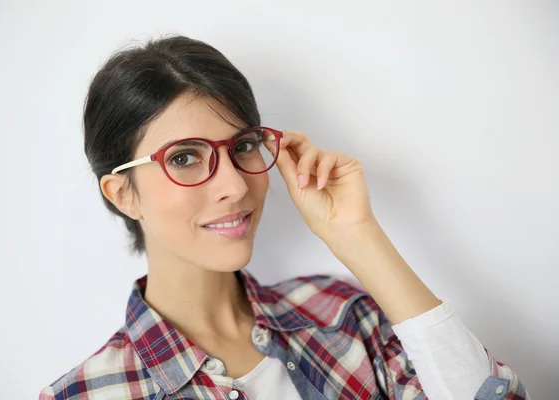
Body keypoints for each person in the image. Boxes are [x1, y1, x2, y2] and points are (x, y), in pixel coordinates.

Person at [40, 35, 529, 400]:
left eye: (244, 147)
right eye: (185, 157)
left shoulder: (345, 317)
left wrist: (359, 237)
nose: (234, 186)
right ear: (124, 193)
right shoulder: (86, 393)